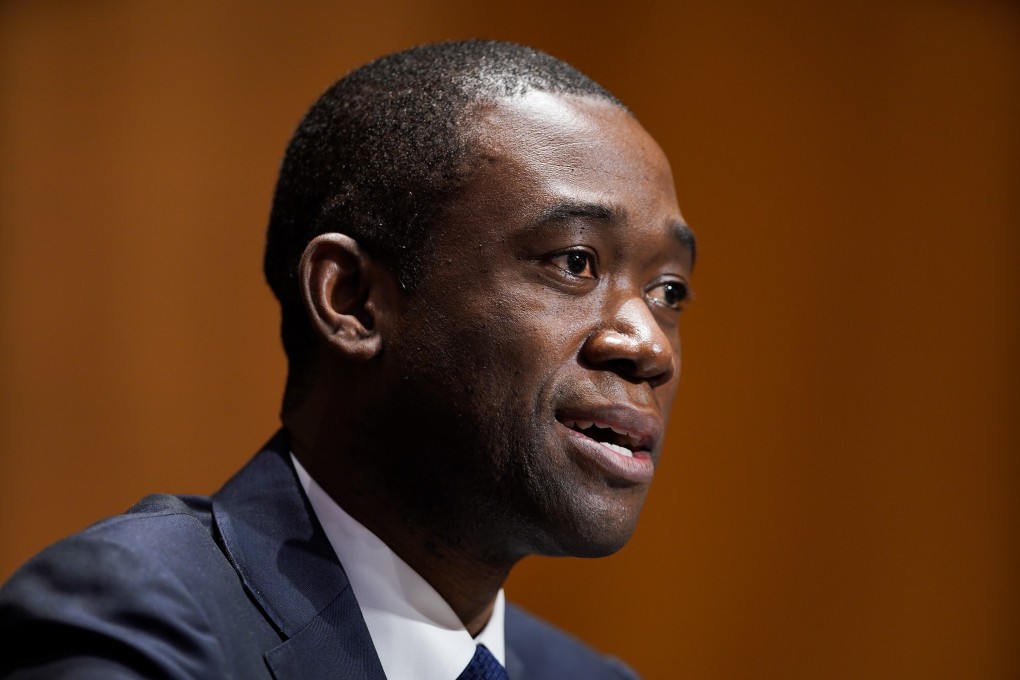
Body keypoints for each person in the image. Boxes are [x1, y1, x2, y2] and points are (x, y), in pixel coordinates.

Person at [0, 40, 695, 679]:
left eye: (669, 291)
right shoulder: (136, 623)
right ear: (353, 300)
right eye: (575, 262)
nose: (650, 346)